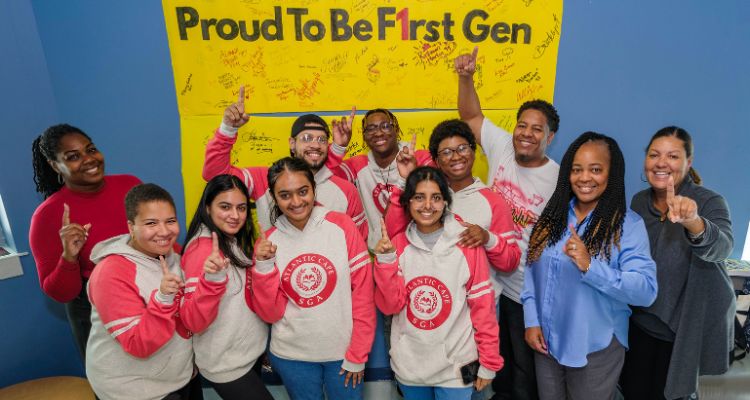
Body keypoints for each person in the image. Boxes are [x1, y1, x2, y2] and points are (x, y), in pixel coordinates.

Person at [455, 47, 560, 400]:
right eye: (522, 125)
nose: (526, 134)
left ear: (550, 137)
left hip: (523, 290)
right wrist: (466, 77)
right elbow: (470, 116)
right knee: (484, 368)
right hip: (484, 280)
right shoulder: (502, 147)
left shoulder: (559, 180)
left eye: (537, 130)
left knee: (521, 373)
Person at [521, 132, 657, 400]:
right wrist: (532, 321)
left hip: (595, 347)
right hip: (546, 342)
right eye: (576, 170)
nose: (584, 178)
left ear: (612, 174)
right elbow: (530, 273)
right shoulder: (553, 217)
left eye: (595, 169)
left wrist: (590, 266)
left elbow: (646, 291)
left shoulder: (628, 226)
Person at [620, 126, 734, 400]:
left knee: (673, 393)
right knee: (633, 389)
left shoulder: (708, 201)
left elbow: (722, 247)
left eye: (672, 156)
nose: (661, 162)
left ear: (688, 162)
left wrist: (692, 222)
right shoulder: (638, 201)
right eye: (654, 154)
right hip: (642, 320)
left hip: (684, 326)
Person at [249, 157, 375, 400]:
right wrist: (263, 267)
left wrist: (358, 354)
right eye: (285, 195)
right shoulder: (269, 241)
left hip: (344, 354)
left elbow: (363, 295)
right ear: (274, 198)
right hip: (291, 356)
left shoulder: (342, 226)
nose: (296, 202)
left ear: (314, 189)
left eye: (303, 191)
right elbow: (270, 314)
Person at [374, 166, 503, 399]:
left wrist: (490, 361)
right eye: (419, 197)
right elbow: (390, 306)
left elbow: (483, 308)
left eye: (436, 198)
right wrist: (385, 262)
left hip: (456, 367)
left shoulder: (466, 242)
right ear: (408, 202)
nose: (427, 206)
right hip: (411, 367)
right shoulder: (397, 245)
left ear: (445, 201)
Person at [29, 123, 142, 361]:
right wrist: (68, 257)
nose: (89, 159)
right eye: (73, 157)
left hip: (150, 292)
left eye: (91, 150)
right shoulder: (48, 215)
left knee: (176, 375)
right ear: (54, 165)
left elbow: (161, 236)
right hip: (95, 311)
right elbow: (59, 292)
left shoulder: (130, 185)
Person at [203, 86, 367, 239]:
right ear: (292, 143)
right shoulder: (264, 179)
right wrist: (227, 130)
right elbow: (216, 177)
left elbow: (357, 242)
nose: (315, 144)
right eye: (307, 138)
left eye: (322, 139)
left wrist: (338, 149)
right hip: (272, 268)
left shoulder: (345, 190)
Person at [86, 183, 195, 400]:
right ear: (131, 227)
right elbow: (138, 344)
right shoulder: (110, 274)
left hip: (176, 378)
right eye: (151, 223)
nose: (164, 231)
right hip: (133, 390)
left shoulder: (172, 254)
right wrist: (163, 299)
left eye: (170, 221)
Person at [384, 119, 521, 279]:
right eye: (447, 152)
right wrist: (404, 180)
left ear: (473, 152)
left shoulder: (493, 202)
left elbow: (510, 262)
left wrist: (487, 238)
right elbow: (392, 234)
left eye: (462, 148)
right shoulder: (425, 196)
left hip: (477, 301)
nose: (456, 157)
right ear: (437, 161)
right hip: (427, 294)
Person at [179, 174, 273, 400]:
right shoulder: (203, 249)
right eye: (225, 206)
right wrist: (211, 281)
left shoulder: (227, 239)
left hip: (243, 356)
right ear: (208, 207)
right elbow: (193, 321)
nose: (235, 215)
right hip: (226, 365)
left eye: (241, 208)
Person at [325, 107, 433, 250]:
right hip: (380, 252)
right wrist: (338, 147)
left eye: (385, 126)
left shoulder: (419, 158)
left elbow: (444, 190)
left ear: (396, 130)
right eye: (371, 129)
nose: (378, 132)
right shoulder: (358, 166)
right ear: (364, 136)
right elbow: (324, 178)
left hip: (418, 249)